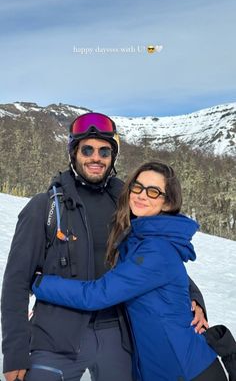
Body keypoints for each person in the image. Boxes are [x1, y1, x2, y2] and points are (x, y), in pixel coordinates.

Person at [1, 113, 207, 381]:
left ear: (113, 157)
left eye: (104, 151)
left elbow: (155, 256)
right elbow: (16, 280)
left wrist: (193, 296)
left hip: (116, 334)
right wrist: (15, 350)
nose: (95, 157)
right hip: (55, 334)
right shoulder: (45, 207)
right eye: (87, 149)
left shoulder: (126, 206)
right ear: (74, 153)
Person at [32, 161, 228, 381]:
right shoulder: (143, 238)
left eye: (153, 192)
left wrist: (41, 284)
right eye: (138, 187)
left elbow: (98, 294)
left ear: (167, 202)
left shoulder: (155, 249)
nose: (142, 195)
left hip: (187, 371)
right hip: (164, 368)